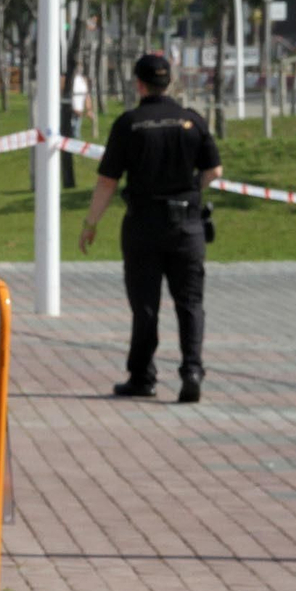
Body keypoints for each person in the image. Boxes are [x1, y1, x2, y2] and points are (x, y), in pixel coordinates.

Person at [78, 53, 223, 404]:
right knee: (190, 302)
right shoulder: (192, 120)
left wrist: (91, 223)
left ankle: (143, 376)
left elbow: (108, 181)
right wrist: (191, 191)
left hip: (143, 224)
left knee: (145, 305)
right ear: (169, 82)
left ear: (138, 84)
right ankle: (192, 370)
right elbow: (214, 171)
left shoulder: (129, 124)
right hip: (187, 224)